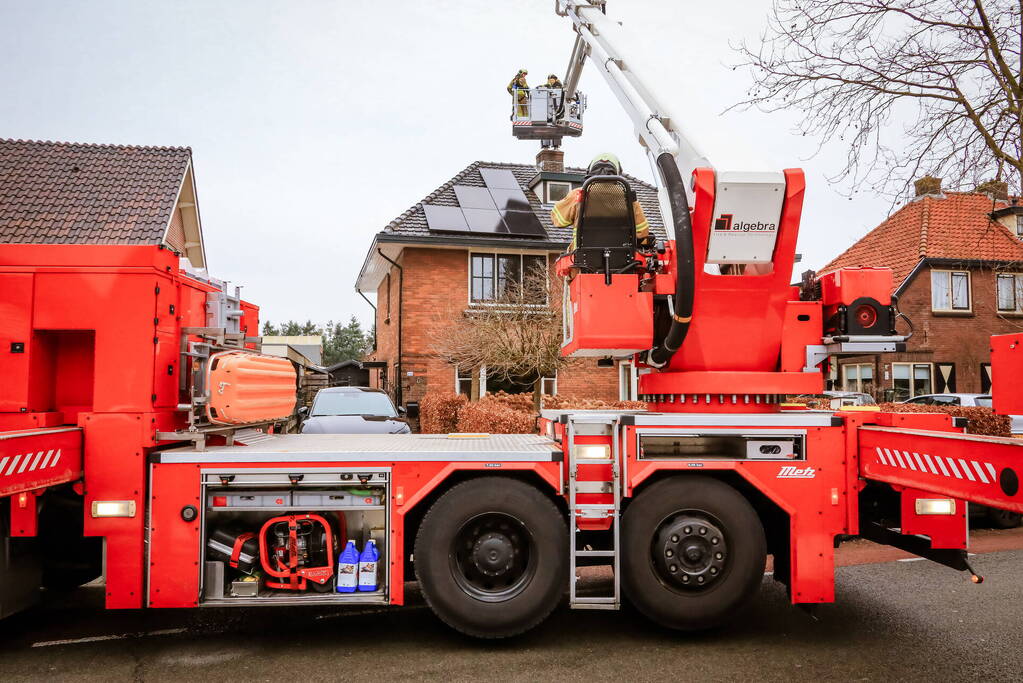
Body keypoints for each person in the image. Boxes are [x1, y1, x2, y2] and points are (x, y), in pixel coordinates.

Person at [551, 153, 650, 250]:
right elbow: (642, 233)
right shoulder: (628, 197)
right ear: (617, 172)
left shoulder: (578, 194)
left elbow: (559, 220)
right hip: (622, 259)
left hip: (582, 259)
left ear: (590, 171)